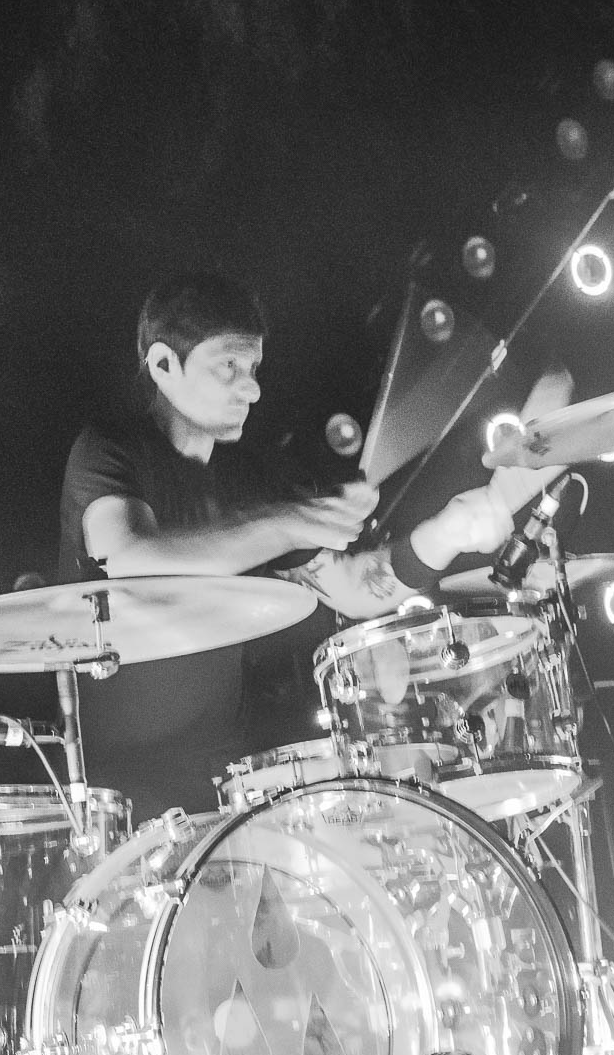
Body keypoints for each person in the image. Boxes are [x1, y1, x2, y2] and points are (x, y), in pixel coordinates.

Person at [58, 272, 566, 819]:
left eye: (254, 368)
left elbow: (353, 589)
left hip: (224, 782)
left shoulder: (247, 480)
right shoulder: (110, 448)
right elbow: (130, 557)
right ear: (163, 365)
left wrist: (449, 531)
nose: (251, 388)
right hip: (114, 791)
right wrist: (289, 523)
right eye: (228, 366)